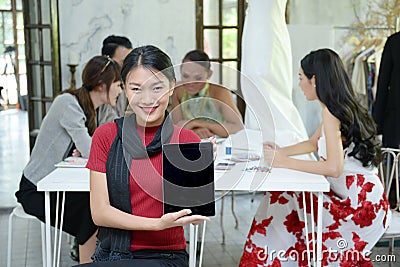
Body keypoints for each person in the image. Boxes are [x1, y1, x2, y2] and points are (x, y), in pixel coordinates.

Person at [240, 49, 391, 266]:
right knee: (284, 197)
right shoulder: (336, 107)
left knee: (281, 198)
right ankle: (270, 258)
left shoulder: (331, 113)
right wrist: (282, 152)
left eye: (301, 78)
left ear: (315, 80)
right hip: (360, 197)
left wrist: (284, 162)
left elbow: (334, 168)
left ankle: (264, 258)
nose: (299, 85)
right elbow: (313, 143)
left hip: (357, 206)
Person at [86, 45, 211, 265]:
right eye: (136, 89)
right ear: (124, 89)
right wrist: (156, 224)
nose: (147, 99)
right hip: (112, 253)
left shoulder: (187, 141)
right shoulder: (105, 136)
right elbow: (100, 212)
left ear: (172, 87)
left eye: (157, 88)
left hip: (166, 256)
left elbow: (194, 214)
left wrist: (200, 173)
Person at [15, 55, 122, 264]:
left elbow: (108, 145)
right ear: (102, 86)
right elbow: (94, 151)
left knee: (101, 204)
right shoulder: (67, 103)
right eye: (118, 85)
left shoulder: (101, 110)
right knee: (91, 209)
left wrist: (89, 148)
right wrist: (88, 148)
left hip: (60, 186)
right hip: (37, 189)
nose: (120, 91)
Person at [171, 50, 243, 139]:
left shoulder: (220, 92)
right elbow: (177, 129)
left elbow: (238, 127)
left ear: (209, 74)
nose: (191, 83)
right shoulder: (178, 91)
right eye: (185, 76)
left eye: (198, 78)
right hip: (190, 144)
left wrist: (196, 123)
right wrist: (194, 132)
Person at [97, 35, 133, 125]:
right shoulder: (101, 86)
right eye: (123, 62)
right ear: (107, 60)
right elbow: (107, 124)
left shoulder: (126, 82)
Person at [373, 31, 400, 149]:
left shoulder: (395, 41)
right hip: (395, 119)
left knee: (393, 163)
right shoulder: (394, 42)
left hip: (395, 120)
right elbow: (383, 84)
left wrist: (377, 122)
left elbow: (383, 83)